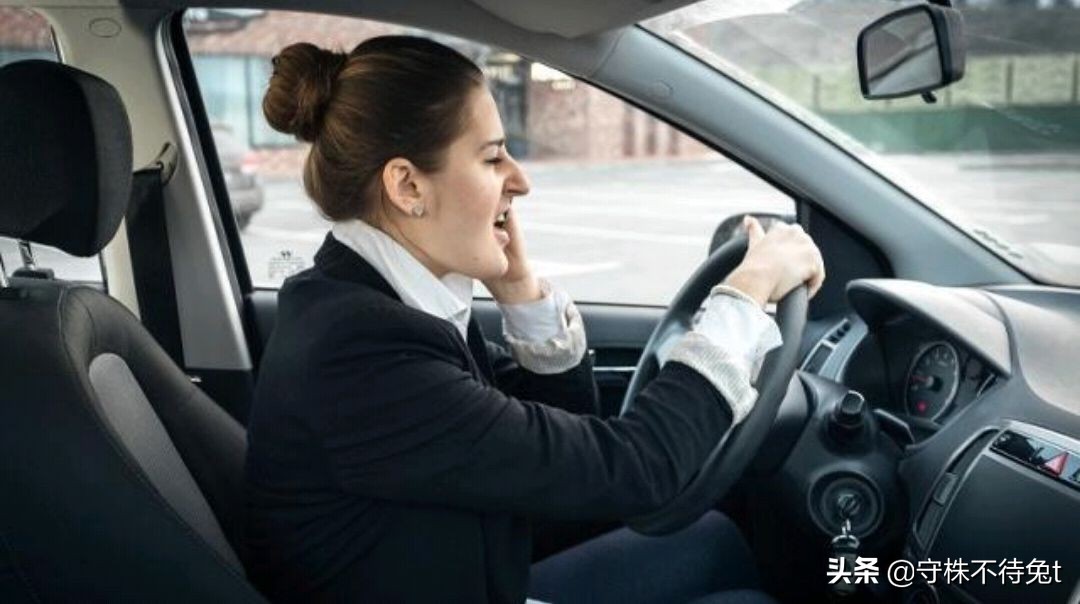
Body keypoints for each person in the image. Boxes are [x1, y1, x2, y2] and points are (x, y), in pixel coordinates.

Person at [245, 36, 825, 604]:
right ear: (408, 185)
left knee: (714, 541)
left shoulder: (380, 300)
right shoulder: (359, 354)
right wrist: (744, 297)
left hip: (475, 572)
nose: (520, 180)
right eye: (493, 156)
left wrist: (519, 293)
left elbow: (550, 459)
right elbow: (638, 467)